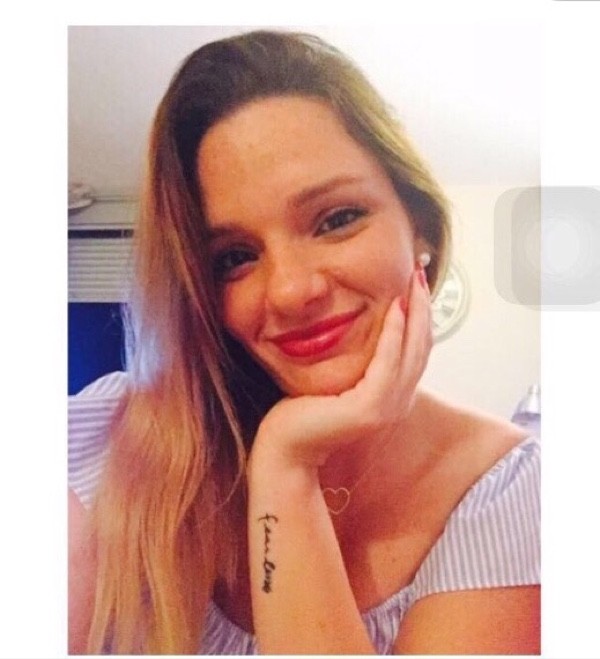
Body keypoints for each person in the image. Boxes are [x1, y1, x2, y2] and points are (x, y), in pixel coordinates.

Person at [68, 30, 540, 655]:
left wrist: (286, 468)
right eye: (235, 257)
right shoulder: (104, 445)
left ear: (420, 226)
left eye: (336, 219)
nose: (291, 291)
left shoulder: (516, 497)